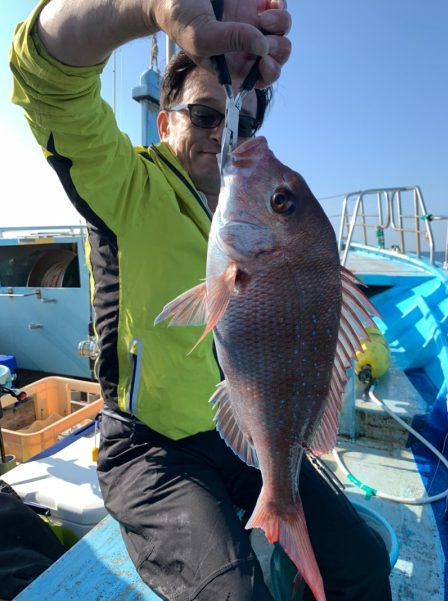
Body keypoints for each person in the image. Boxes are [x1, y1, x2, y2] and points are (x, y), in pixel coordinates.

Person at [10, 1, 392, 599]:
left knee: (364, 564)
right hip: (150, 449)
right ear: (165, 123)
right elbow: (46, 77)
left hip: (248, 433)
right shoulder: (128, 185)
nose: (221, 135)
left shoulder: (249, 218)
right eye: (204, 115)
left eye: (234, 123)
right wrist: (149, 7)